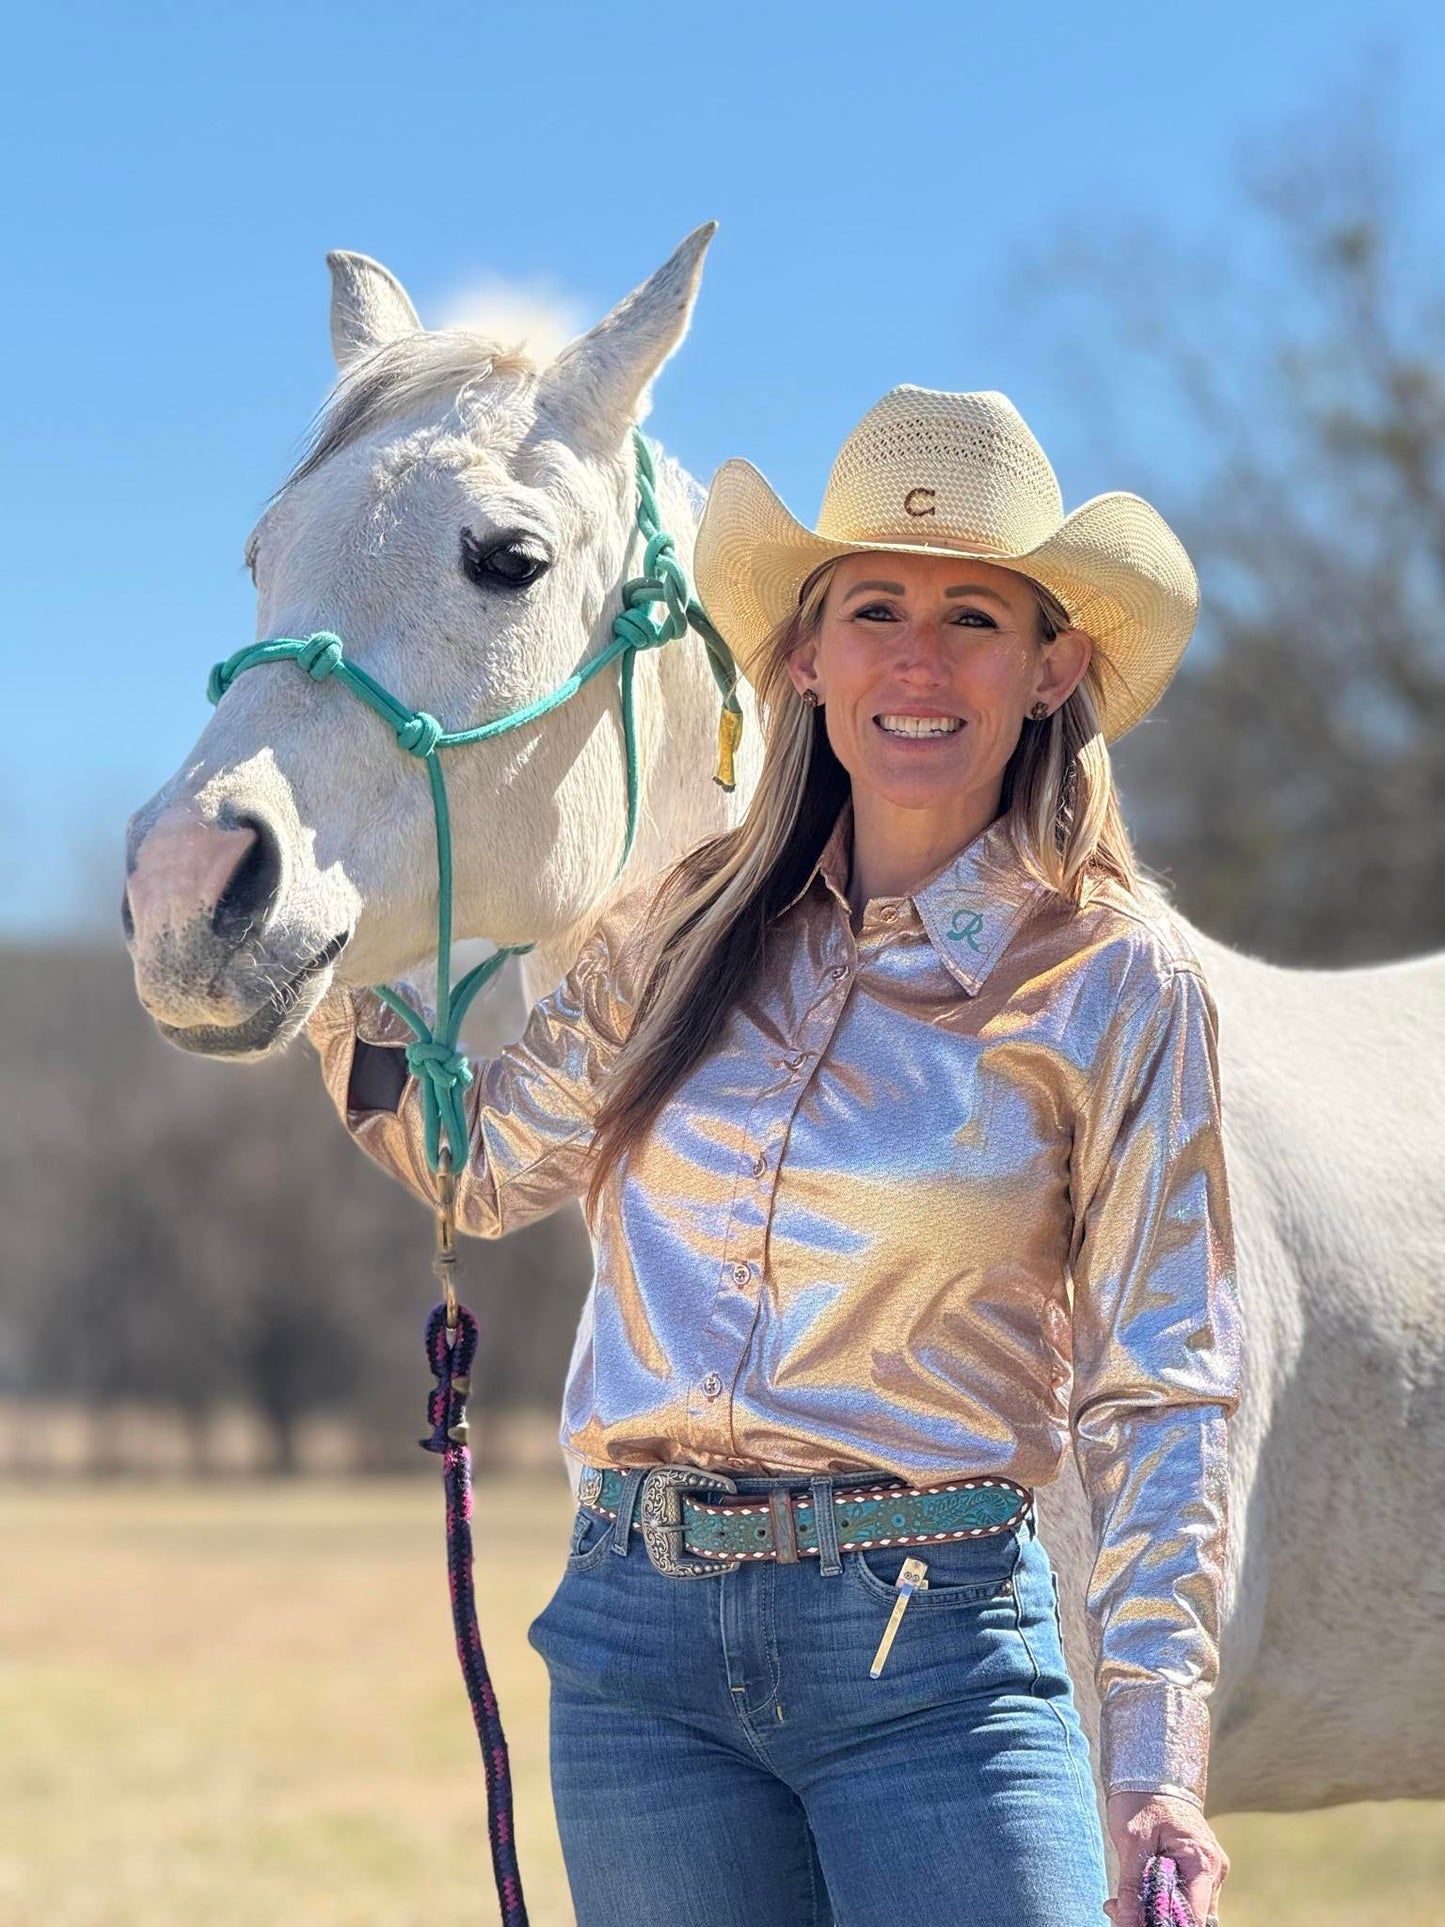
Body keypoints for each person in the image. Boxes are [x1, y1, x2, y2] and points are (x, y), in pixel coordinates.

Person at [306, 386, 1240, 1927]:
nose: (916, 658)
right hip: (636, 1654)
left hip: (930, 1661)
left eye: (973, 616)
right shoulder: (678, 930)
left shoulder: (1112, 978)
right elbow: (484, 1164)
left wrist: (1154, 1762)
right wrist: (311, 952)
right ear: (806, 656)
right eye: (871, 607)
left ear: (1051, 664)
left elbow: (1162, 1376)